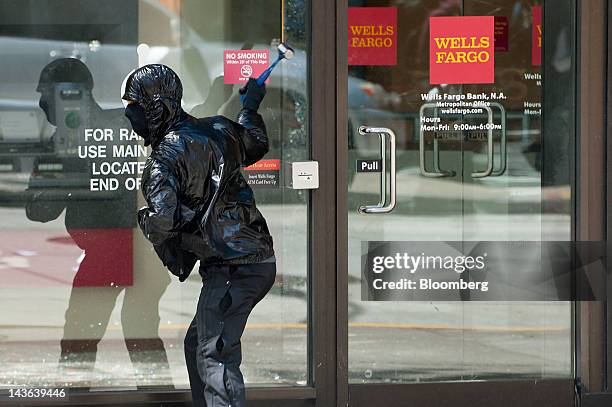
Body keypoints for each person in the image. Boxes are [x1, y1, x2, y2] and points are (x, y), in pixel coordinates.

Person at [121, 64, 276, 407]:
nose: (129, 115)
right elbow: (257, 143)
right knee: (200, 343)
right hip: (257, 261)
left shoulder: (163, 159)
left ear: (154, 107)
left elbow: (161, 222)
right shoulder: (220, 129)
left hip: (232, 268)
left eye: (133, 106)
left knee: (215, 355)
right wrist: (249, 108)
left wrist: (143, 217)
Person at [25, 58, 173, 386]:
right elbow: (39, 211)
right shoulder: (105, 130)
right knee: (128, 332)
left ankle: (87, 396)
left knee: (101, 334)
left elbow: (40, 210)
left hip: (131, 245)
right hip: (128, 249)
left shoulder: (114, 128)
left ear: (73, 94)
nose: (45, 104)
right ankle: (155, 396)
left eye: (49, 95)